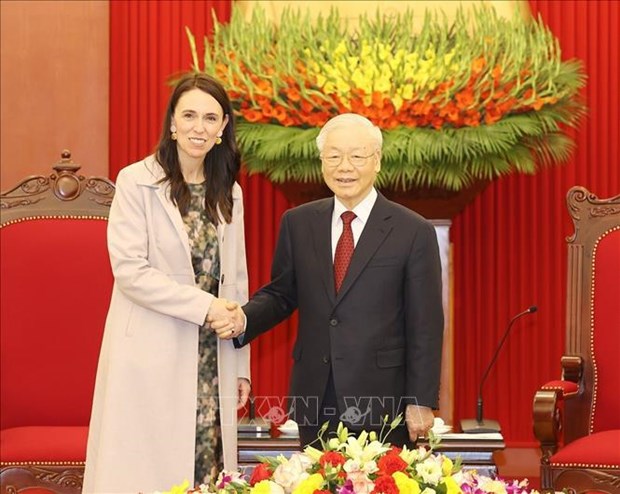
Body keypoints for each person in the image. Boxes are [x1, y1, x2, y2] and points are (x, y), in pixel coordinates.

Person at [211, 113, 443, 447]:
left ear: (376, 161)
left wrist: (420, 400)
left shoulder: (412, 230)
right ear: (322, 162)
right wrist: (243, 317)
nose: (344, 167)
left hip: (383, 398)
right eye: (333, 156)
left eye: (356, 156)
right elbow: (281, 294)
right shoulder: (299, 223)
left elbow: (426, 324)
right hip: (316, 395)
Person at [83, 73, 250, 493]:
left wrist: (241, 360)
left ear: (223, 127)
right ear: (172, 123)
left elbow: (236, 280)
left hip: (213, 355)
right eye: (189, 115)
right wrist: (204, 307)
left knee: (207, 467)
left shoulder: (228, 191)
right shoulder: (135, 181)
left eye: (211, 118)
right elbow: (130, 272)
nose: (199, 127)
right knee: (149, 471)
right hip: (150, 351)